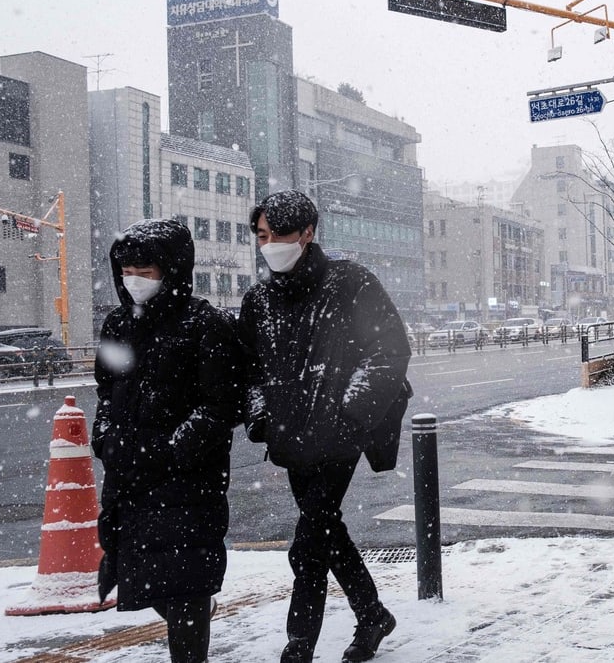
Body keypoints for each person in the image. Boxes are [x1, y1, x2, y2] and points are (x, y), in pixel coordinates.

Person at [237, 190, 412, 663]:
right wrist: (259, 418)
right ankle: (372, 613)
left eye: (278, 235)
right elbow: (248, 369)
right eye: (261, 236)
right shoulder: (259, 301)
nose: (268, 244)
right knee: (325, 528)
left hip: (340, 436)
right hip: (291, 438)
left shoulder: (350, 283)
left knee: (309, 538)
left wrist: (350, 412)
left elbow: (390, 350)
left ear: (308, 233)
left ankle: (299, 644)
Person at [91, 218, 243, 663]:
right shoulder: (118, 323)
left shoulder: (203, 324)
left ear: (172, 270)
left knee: (185, 586)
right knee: (143, 573)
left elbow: (221, 405)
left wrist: (173, 450)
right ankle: (195, 615)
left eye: (146, 270)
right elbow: (106, 390)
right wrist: (105, 439)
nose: (134, 279)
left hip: (185, 483)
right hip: (128, 479)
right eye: (127, 269)